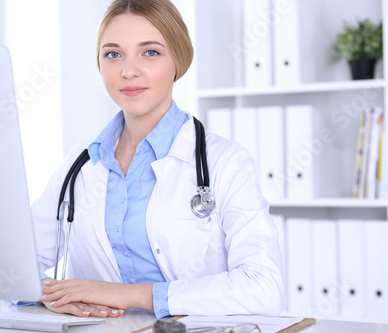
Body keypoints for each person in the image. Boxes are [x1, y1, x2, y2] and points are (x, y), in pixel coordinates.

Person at [35, 0, 285, 319]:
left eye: (150, 52)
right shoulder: (81, 164)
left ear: (177, 61)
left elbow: (264, 287)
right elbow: (11, 267)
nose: (128, 71)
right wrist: (54, 295)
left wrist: (127, 295)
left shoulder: (226, 162)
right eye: (113, 54)